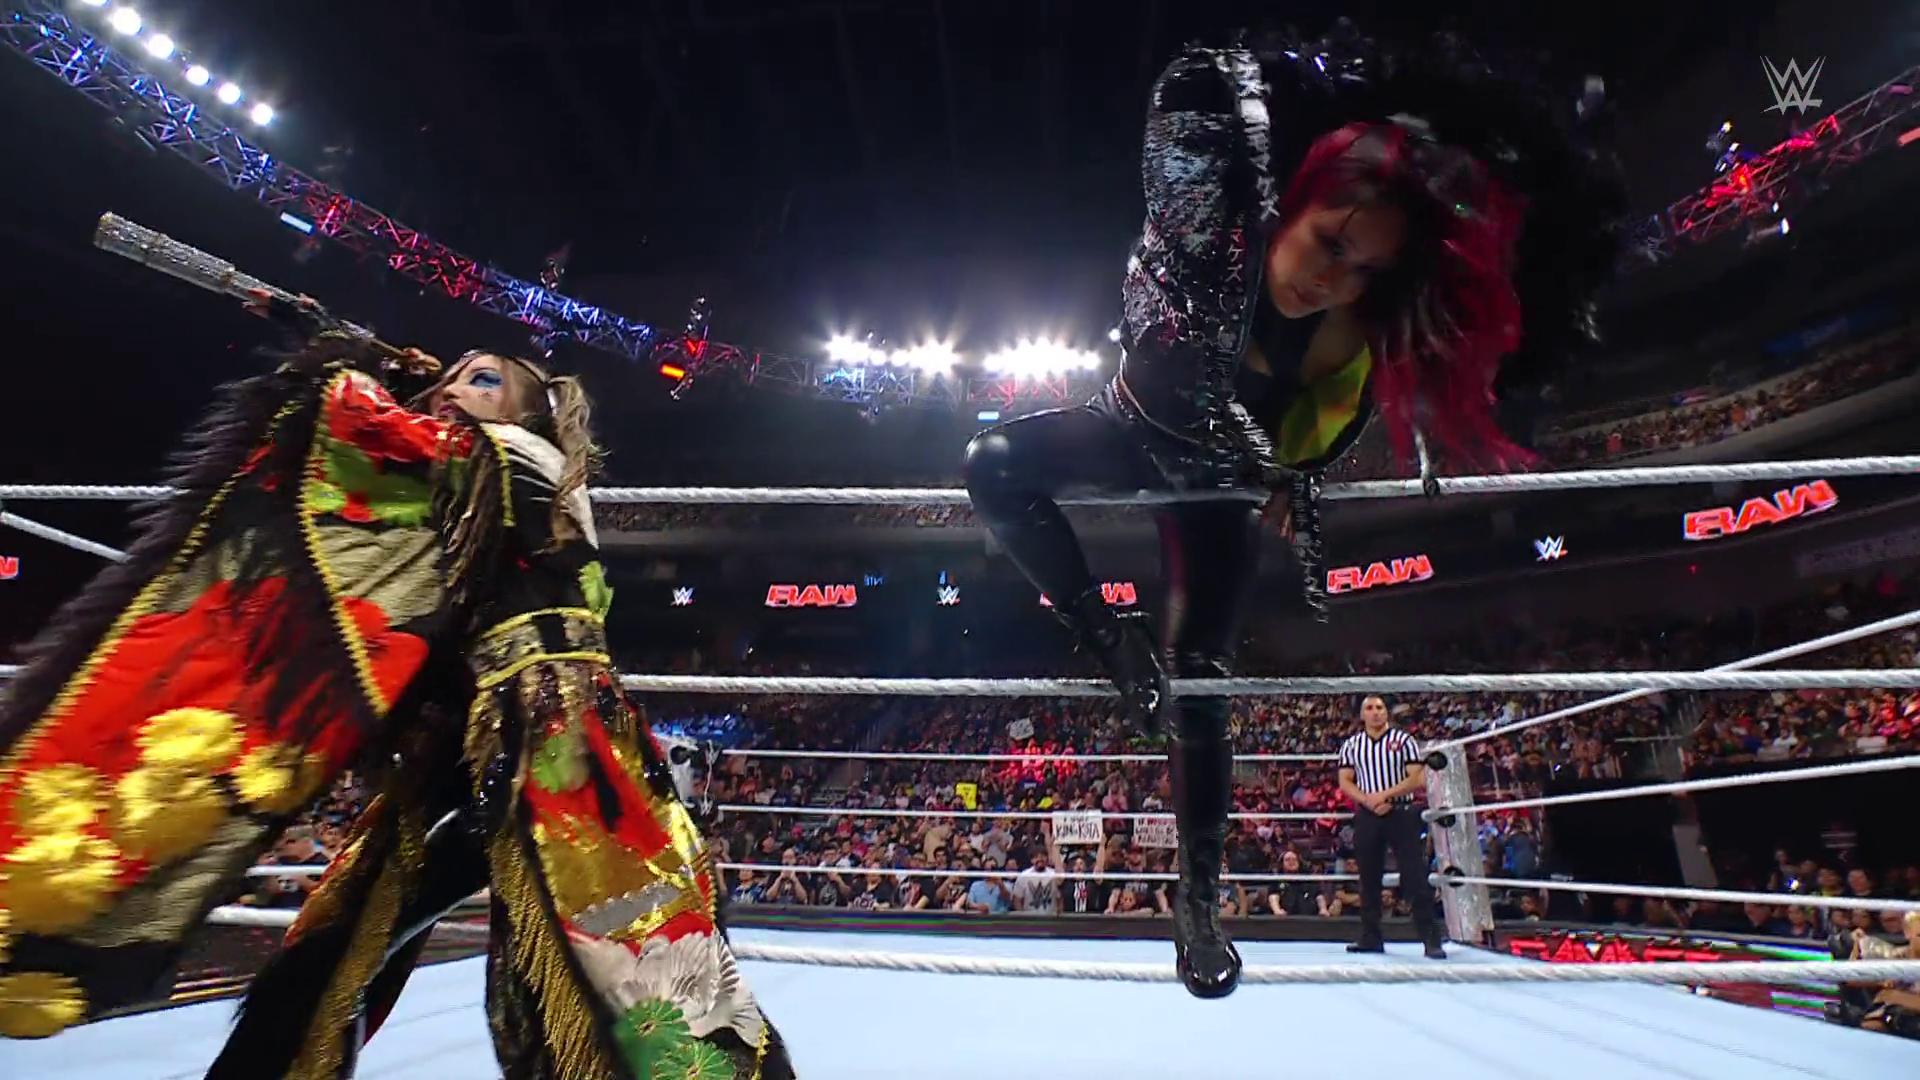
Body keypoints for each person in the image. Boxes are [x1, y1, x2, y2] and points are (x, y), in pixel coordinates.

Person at [961, 24, 1621, 998]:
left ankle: (1199, 904)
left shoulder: (1353, 331)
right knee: (992, 465)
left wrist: (1290, 475)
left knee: (1203, 684)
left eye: (1364, 269)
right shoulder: (1206, 228)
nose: (1332, 279)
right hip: (1129, 426)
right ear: (1291, 202)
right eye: (1331, 243)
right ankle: (1106, 639)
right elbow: (1184, 95)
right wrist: (1266, 82)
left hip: (1218, 483)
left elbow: (1319, 428)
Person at [0, 297, 796, 1079]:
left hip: (554, 747)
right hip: (478, 743)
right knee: (336, 943)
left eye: (481, 379)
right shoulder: (485, 479)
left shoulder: (519, 458)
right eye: (451, 377)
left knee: (633, 974)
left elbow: (374, 433)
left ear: (527, 413)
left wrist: (341, 360)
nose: (452, 389)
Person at [1337, 695, 1444, 959]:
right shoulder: (1352, 745)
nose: (1375, 712)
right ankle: (1371, 936)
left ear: (1386, 712)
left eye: (1379, 707)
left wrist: (1384, 795)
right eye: (1369, 708)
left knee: (1414, 874)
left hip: (1401, 812)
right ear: (1362, 715)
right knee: (1368, 876)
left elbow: (1417, 778)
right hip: (1368, 813)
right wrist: (1369, 800)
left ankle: (1430, 938)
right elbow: (1345, 780)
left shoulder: (1404, 741)